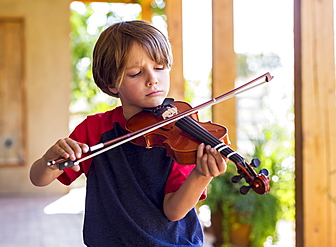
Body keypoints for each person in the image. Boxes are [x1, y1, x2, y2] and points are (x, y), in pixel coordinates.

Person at [30, 20, 227, 247]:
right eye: (135, 73)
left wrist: (202, 175)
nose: (152, 79)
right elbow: (38, 179)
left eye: (160, 67)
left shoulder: (179, 133)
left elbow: (173, 212)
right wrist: (49, 161)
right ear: (112, 84)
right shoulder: (95, 129)